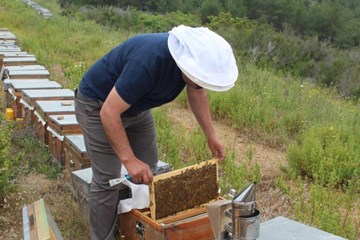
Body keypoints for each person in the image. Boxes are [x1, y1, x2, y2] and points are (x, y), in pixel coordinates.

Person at [74, 25, 238, 240]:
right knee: (107, 179)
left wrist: (211, 135)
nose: (199, 83)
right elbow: (109, 112)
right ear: (184, 63)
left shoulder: (188, 65)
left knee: (149, 170)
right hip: (98, 105)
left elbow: (197, 93)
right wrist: (129, 159)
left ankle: (139, 227)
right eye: (197, 77)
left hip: (136, 107)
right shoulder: (149, 62)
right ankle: (102, 236)